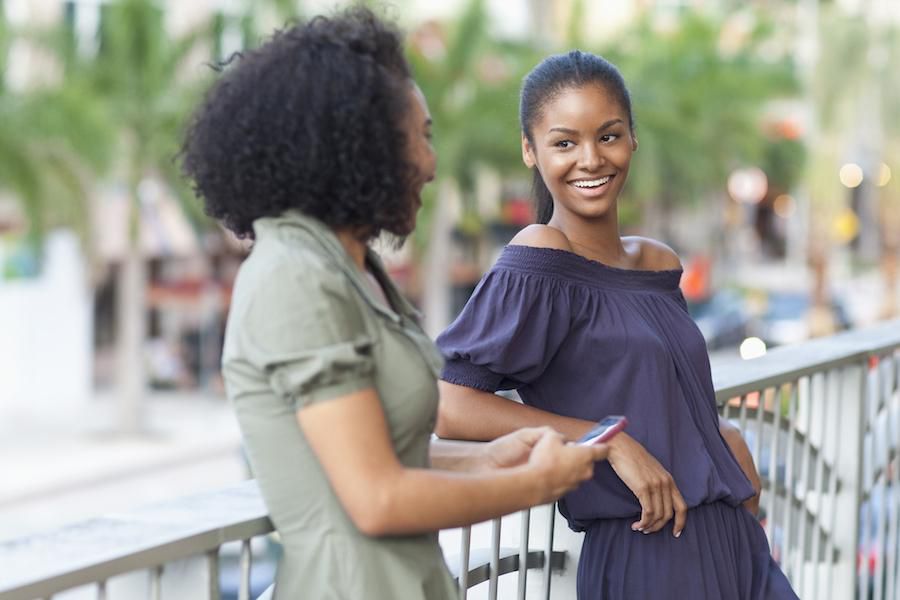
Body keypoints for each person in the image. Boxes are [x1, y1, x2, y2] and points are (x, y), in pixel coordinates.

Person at [179, 10, 608, 600]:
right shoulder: (293, 277)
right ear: (359, 147)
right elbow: (376, 498)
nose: (431, 166)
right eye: (421, 138)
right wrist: (534, 485)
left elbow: (380, 452)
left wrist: (490, 459)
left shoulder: (351, 266)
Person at [435, 50, 797, 599]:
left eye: (608, 136)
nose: (590, 159)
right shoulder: (539, 255)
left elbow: (665, 395)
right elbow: (449, 405)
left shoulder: (658, 262)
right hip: (650, 553)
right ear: (530, 153)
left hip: (737, 538)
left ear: (632, 139)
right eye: (564, 142)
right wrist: (606, 441)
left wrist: (723, 438)